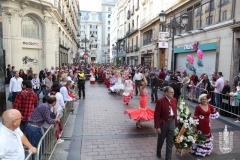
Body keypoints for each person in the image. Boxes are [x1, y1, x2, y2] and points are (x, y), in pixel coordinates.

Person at [154, 86, 177, 160]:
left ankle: (168, 158)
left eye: (173, 92)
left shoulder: (174, 100)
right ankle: (158, 152)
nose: (172, 94)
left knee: (170, 141)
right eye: (171, 92)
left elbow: (175, 111)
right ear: (166, 93)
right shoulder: (160, 101)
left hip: (172, 122)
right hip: (163, 123)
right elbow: (156, 115)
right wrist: (158, 126)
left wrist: (176, 122)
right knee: (161, 139)